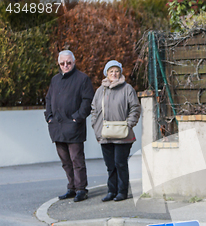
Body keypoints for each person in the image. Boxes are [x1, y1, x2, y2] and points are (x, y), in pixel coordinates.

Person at [45, 50, 94, 202]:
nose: (65, 65)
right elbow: (48, 99)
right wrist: (49, 117)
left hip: (74, 127)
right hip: (57, 127)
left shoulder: (82, 79)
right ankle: (71, 188)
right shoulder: (55, 80)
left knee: (76, 160)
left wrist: (76, 118)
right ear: (58, 64)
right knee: (65, 161)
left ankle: (81, 189)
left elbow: (87, 101)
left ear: (74, 62)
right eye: (62, 63)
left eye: (68, 62)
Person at [91, 60, 141, 202]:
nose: (114, 74)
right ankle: (111, 191)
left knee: (120, 163)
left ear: (120, 72)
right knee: (110, 165)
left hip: (123, 134)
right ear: (106, 73)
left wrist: (129, 124)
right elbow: (94, 109)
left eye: (116, 71)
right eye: (111, 71)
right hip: (105, 134)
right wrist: (95, 126)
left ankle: (122, 191)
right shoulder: (100, 90)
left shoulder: (127, 89)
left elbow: (135, 108)